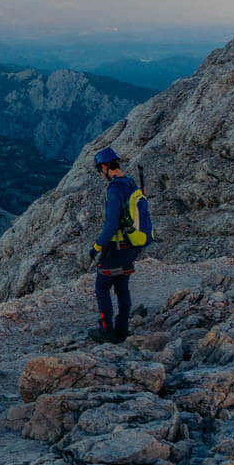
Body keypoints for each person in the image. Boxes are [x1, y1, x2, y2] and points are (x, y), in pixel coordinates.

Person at [89, 146, 139, 342]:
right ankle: (122, 328)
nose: (100, 174)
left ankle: (106, 330)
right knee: (122, 286)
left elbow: (110, 225)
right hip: (132, 247)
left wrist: (96, 247)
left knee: (102, 287)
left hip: (116, 247)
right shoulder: (131, 183)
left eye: (99, 170)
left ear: (104, 167)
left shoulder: (114, 189)